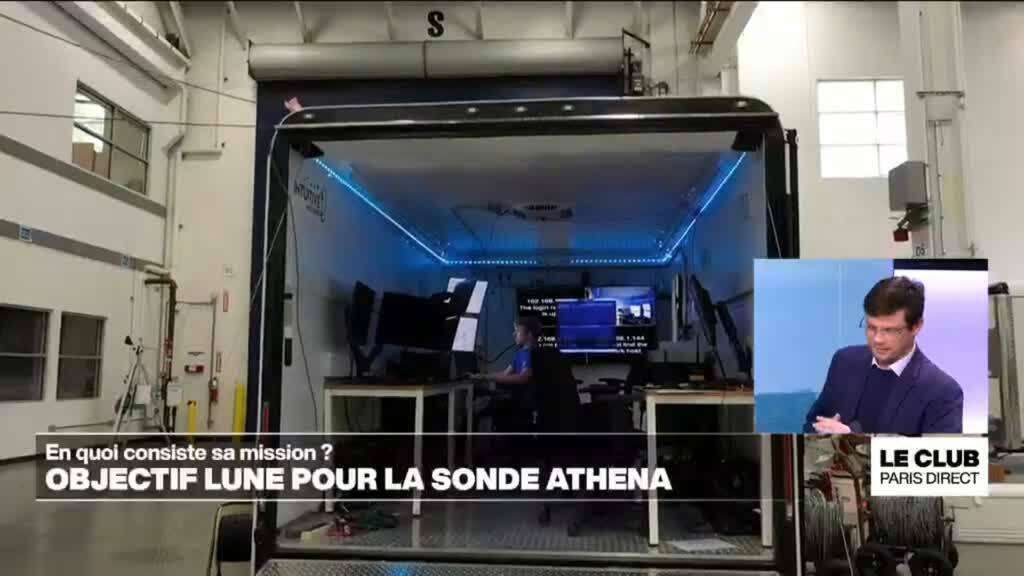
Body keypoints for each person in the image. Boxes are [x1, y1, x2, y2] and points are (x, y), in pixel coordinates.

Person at [804, 276, 963, 434]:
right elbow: (811, 424)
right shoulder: (844, 361)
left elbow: (938, 451)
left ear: (916, 326)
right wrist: (822, 433)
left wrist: (852, 441)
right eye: (871, 327)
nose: (877, 339)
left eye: (889, 330)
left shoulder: (942, 392)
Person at [469, 316, 542, 385]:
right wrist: (483, 376)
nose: (514, 334)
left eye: (518, 331)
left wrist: (486, 377)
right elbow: (505, 373)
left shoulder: (531, 353)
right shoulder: (520, 353)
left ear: (529, 334)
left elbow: (523, 378)